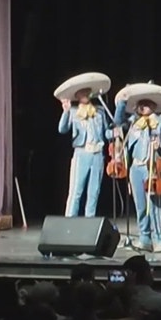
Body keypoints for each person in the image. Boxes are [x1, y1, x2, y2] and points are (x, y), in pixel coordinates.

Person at [113, 83, 161, 252]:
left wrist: (160, 146)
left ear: (155, 106)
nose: (144, 107)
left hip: (153, 167)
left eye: (148, 104)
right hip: (136, 167)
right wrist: (122, 102)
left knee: (155, 206)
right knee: (140, 205)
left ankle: (159, 238)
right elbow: (117, 122)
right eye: (141, 104)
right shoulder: (133, 122)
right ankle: (144, 237)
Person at [54, 72, 112, 217]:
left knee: (94, 192)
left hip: (98, 154)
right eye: (82, 92)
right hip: (82, 154)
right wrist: (66, 112)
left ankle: (90, 223)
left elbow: (106, 132)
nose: (85, 94)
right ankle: (69, 223)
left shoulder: (100, 111)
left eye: (87, 91)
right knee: (76, 190)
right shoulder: (73, 112)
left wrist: (114, 133)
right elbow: (62, 129)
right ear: (77, 95)